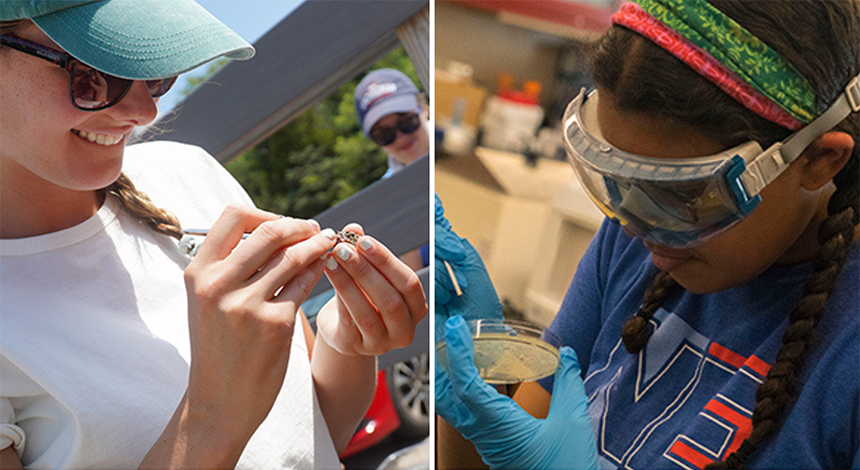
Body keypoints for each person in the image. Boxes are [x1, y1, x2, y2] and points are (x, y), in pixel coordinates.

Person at [0, 1, 427, 469]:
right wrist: (212, 416)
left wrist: (345, 341)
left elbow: (312, 436)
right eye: (91, 74)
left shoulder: (189, 173)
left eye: (152, 72)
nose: (144, 109)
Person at [435, 0, 860, 468]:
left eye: (682, 196)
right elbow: (508, 445)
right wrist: (480, 368)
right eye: (622, 183)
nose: (638, 226)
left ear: (820, 161)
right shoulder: (637, 242)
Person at [355, 68, 431, 270]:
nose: (400, 137)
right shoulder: (386, 196)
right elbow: (413, 274)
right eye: (385, 134)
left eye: (406, 122)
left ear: (423, 108)